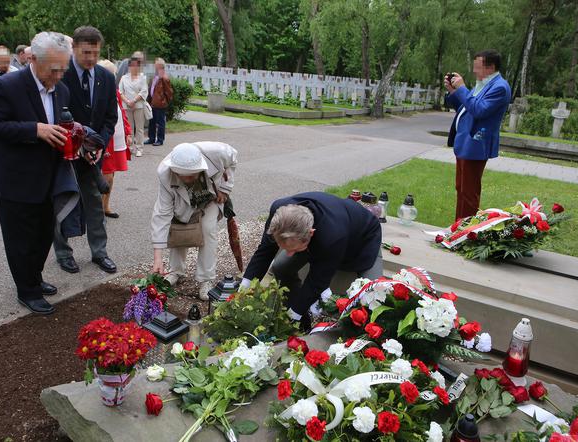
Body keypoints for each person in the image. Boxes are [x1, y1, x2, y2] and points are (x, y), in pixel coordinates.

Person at [0, 31, 72, 314]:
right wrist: (34, 129)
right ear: (32, 59)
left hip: (48, 178)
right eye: (53, 70)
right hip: (14, 180)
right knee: (21, 240)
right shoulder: (8, 86)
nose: (58, 76)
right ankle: (27, 290)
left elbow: (62, 125)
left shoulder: (62, 89)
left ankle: (34, 276)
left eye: (63, 69)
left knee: (44, 235)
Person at [241, 192, 383, 330]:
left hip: (362, 241)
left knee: (373, 296)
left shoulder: (332, 236)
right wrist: (242, 291)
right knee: (280, 267)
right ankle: (301, 318)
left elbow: (316, 282)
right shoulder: (280, 214)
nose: (289, 254)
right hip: (327, 232)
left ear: (310, 234)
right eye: (284, 248)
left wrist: (291, 320)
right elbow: (265, 251)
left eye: (293, 250)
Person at [54, 25, 118, 274]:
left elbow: (110, 118)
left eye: (95, 52)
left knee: (94, 204)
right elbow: (57, 115)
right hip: (65, 155)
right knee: (61, 205)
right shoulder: (61, 74)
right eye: (85, 52)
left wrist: (98, 146)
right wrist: (78, 145)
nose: (90, 58)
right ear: (74, 49)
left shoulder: (106, 77)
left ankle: (99, 252)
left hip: (94, 157)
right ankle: (63, 253)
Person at [151, 142, 238, 300]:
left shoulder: (217, 152)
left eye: (191, 175)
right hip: (182, 202)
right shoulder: (164, 173)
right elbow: (162, 214)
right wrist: (157, 258)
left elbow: (233, 159)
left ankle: (206, 279)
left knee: (208, 229)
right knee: (178, 228)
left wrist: (225, 188)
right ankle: (175, 271)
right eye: (182, 175)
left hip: (210, 198)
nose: (187, 179)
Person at [445, 49, 511, 220]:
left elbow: (478, 110)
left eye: (477, 66)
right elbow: (465, 107)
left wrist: (462, 88)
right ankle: (458, 228)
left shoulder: (500, 87)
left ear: (490, 67)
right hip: (465, 142)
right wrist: (454, 91)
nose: (474, 70)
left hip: (476, 144)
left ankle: (465, 232)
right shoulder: (483, 83)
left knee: (469, 192)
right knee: (461, 188)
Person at [97, 59, 132, 219]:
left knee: (112, 175)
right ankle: (97, 207)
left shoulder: (115, 91)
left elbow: (121, 113)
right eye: (109, 74)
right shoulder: (97, 92)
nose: (112, 77)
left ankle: (105, 205)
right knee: (106, 175)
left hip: (118, 138)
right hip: (106, 139)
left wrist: (128, 132)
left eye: (113, 74)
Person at [119, 55, 148, 157]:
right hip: (127, 106)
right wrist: (127, 101)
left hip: (138, 106)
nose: (134, 67)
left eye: (136, 66)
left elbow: (144, 91)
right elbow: (120, 91)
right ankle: (130, 147)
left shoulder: (142, 77)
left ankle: (139, 148)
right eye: (132, 65)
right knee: (129, 128)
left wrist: (134, 101)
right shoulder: (124, 78)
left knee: (139, 128)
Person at [144, 57, 173, 147]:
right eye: (155, 65)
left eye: (157, 65)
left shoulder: (164, 78)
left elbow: (169, 92)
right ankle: (151, 138)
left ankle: (160, 139)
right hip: (152, 103)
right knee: (152, 121)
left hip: (160, 104)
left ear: (161, 66)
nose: (155, 67)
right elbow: (151, 88)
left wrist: (164, 102)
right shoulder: (155, 76)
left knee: (160, 123)